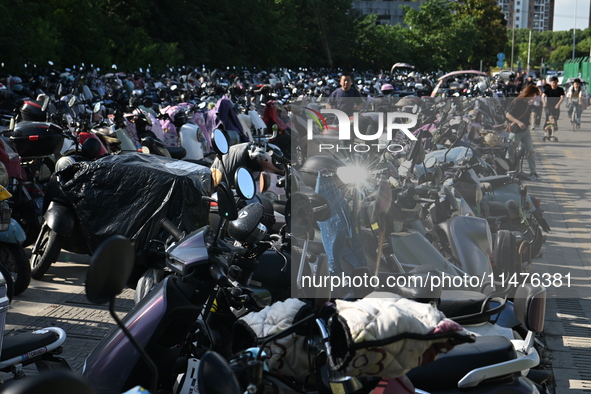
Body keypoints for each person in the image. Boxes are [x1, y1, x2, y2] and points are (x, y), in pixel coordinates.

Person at [506, 84, 541, 180]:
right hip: (516, 131)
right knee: (511, 153)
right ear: (529, 93)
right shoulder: (518, 102)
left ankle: (533, 172)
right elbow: (508, 115)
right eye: (533, 94)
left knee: (531, 152)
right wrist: (518, 122)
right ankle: (510, 171)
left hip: (525, 131)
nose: (534, 97)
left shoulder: (527, 103)